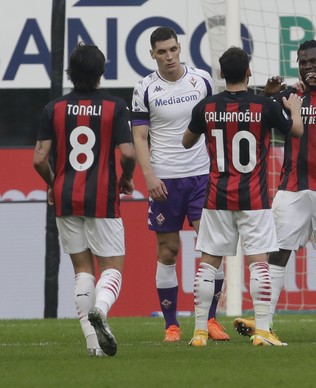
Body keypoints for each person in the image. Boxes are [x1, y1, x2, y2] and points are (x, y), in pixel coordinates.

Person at [233, 39, 316, 342]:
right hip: (291, 189)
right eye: (302, 61)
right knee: (277, 253)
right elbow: (256, 118)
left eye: (313, 61)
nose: (308, 66)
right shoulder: (290, 95)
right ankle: (265, 324)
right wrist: (267, 96)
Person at [182, 46, 303, 347]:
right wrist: (295, 108)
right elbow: (297, 132)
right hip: (254, 199)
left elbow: (186, 142)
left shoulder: (206, 107)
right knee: (259, 263)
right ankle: (262, 331)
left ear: (221, 74)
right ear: (249, 72)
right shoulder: (264, 108)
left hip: (216, 198)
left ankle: (199, 332)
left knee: (209, 263)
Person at [33, 43, 136, 357]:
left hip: (66, 196)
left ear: (70, 73)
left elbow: (39, 159)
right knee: (112, 268)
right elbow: (129, 153)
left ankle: (94, 346)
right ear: (101, 72)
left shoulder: (54, 108)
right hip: (102, 198)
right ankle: (101, 310)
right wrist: (126, 177)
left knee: (82, 271)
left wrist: (53, 184)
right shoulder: (114, 107)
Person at [131, 26, 229, 342]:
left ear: (179, 48)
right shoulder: (144, 88)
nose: (169, 57)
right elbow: (140, 137)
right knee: (168, 251)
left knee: (212, 249)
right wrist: (148, 177)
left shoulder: (201, 80)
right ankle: (171, 325)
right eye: (162, 52)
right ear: (153, 55)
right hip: (165, 181)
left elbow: (216, 124)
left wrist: (219, 169)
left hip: (202, 176)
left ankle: (210, 320)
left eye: (173, 49)